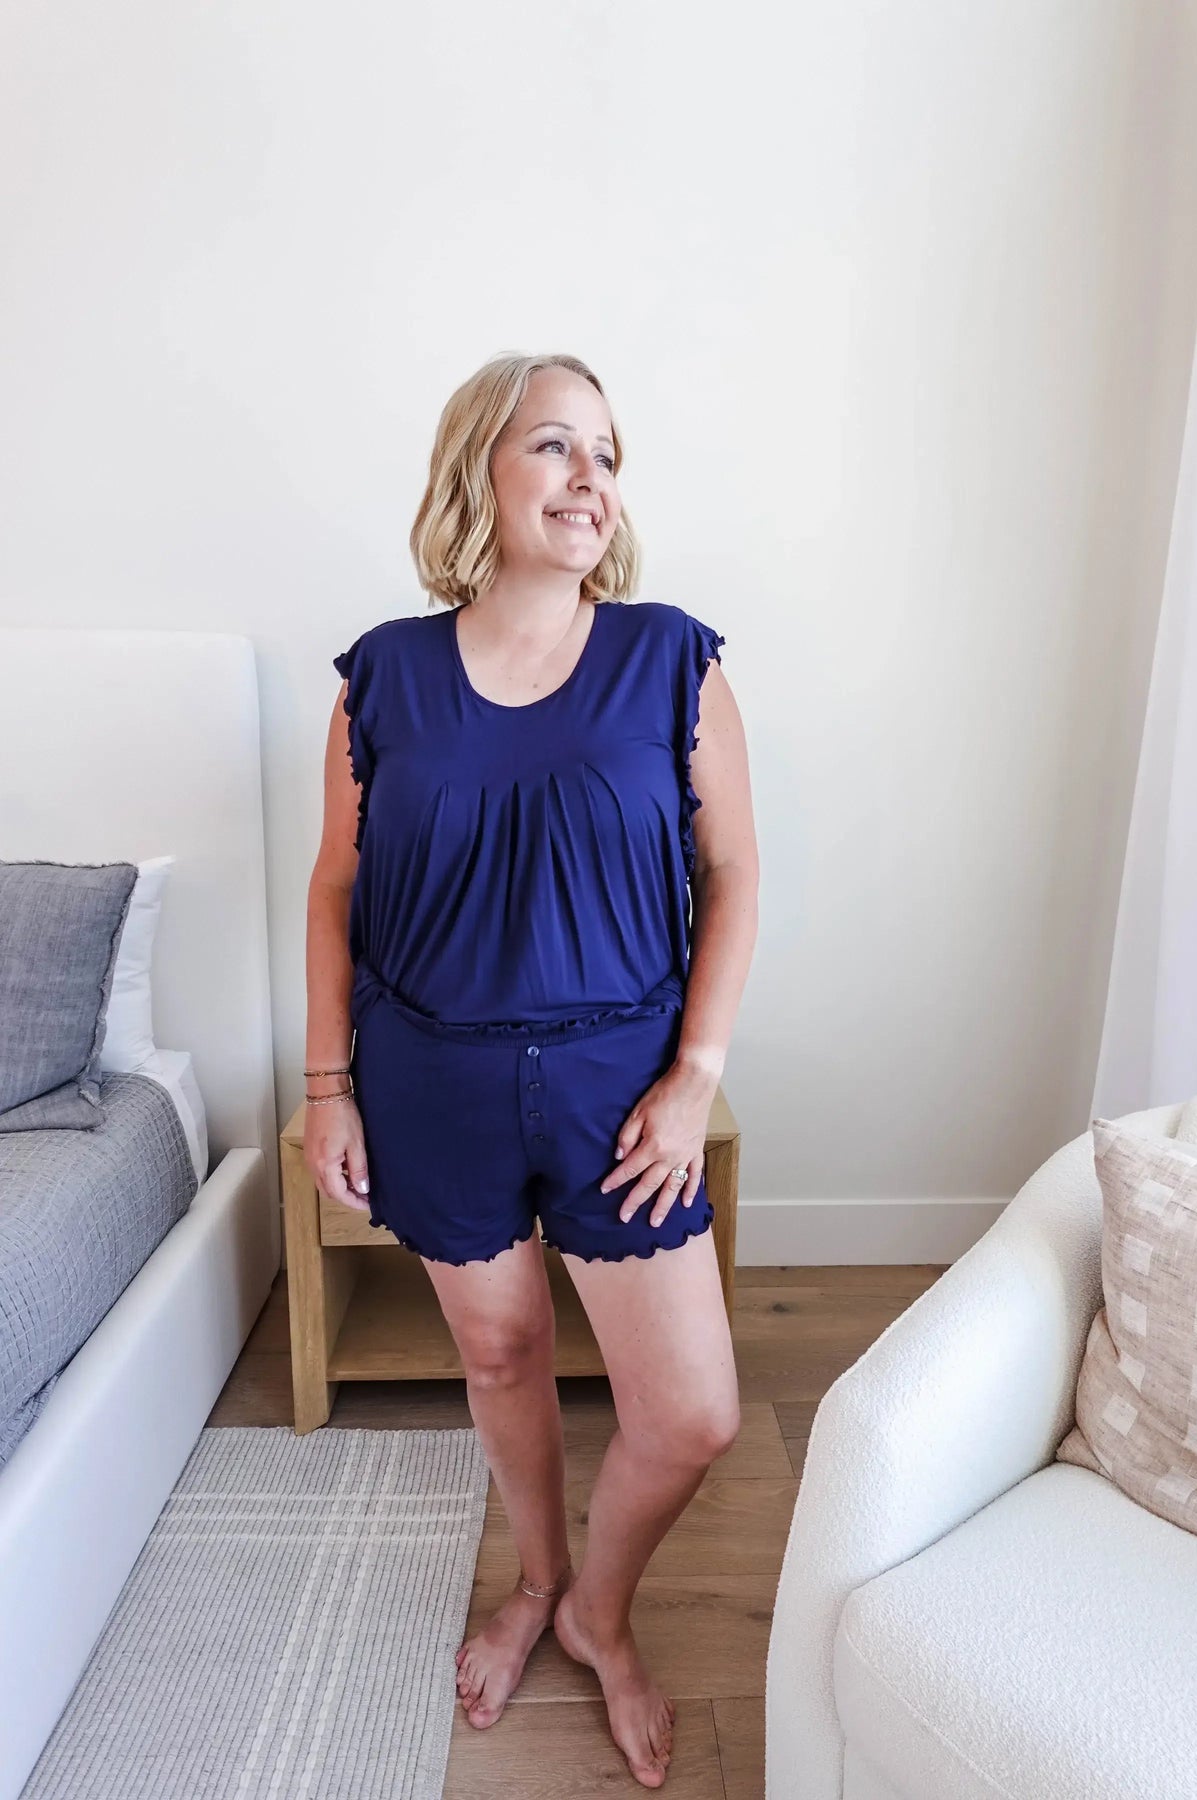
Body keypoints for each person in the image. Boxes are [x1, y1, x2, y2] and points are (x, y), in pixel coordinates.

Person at [304, 351, 759, 1789]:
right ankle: (536, 1580)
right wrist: (327, 1085)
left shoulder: (670, 658)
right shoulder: (382, 675)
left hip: (623, 1094)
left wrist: (695, 1075)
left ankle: (597, 1614)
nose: (589, 478)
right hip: (430, 1080)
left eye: (607, 456)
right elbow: (336, 887)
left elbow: (735, 874)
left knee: (692, 1414)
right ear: (479, 471)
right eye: (556, 445)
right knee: (499, 1355)